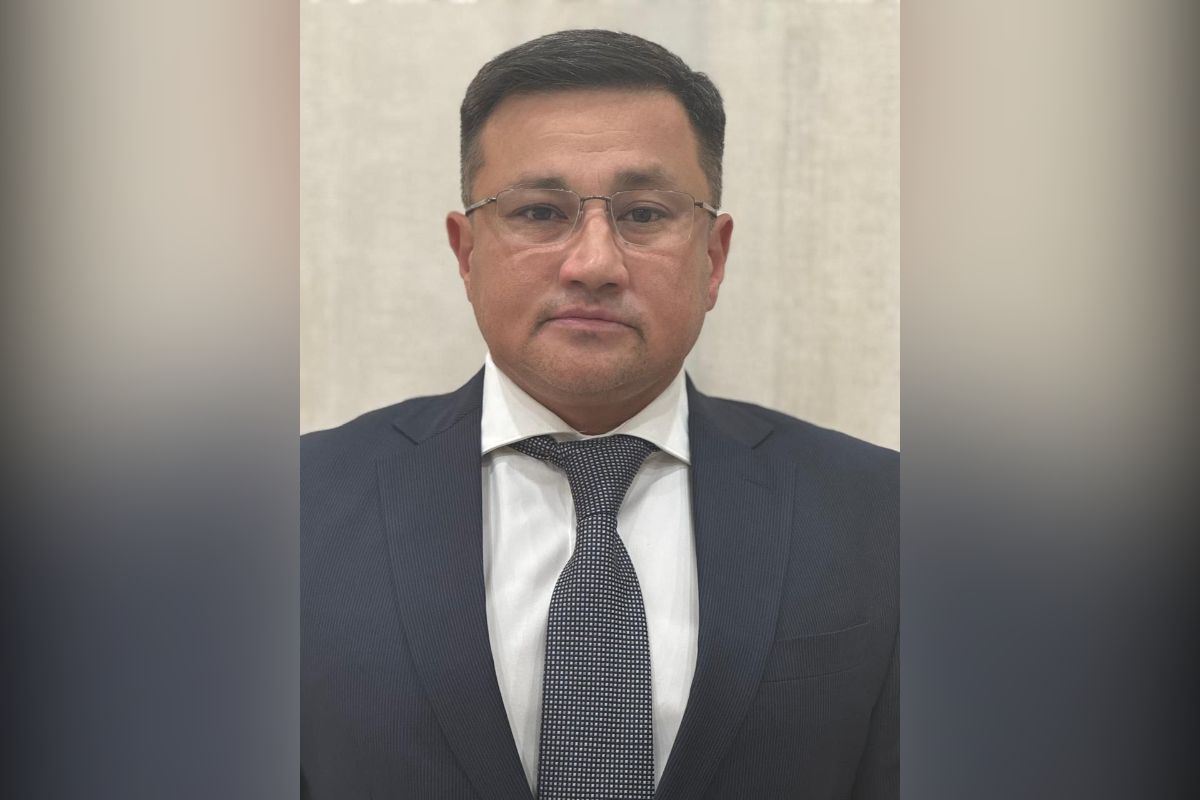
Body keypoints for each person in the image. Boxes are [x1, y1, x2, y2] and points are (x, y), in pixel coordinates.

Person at [302, 29, 897, 800]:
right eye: (539, 212)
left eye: (644, 214)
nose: (594, 263)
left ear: (713, 258)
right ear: (467, 253)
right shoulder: (292, 513)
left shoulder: (883, 516)